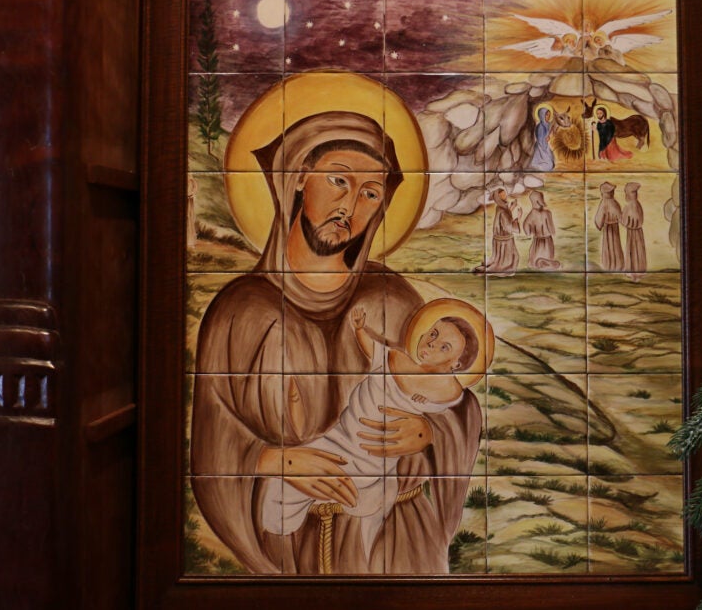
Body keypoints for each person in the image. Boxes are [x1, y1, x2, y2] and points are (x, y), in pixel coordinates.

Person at [191, 110, 482, 575]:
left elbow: (455, 404)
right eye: (338, 180)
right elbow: (213, 438)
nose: (350, 205)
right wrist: (273, 459)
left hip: (396, 541)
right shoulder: (239, 310)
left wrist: (429, 434)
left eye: (370, 193)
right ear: (299, 178)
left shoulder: (393, 298)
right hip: (294, 544)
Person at [260, 299, 490, 567]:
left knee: (325, 483)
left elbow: (457, 422)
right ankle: (272, 552)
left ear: (456, 364)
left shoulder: (447, 391)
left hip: (367, 456)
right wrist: (360, 329)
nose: (431, 343)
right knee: (284, 485)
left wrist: (429, 427)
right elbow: (372, 348)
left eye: (444, 347)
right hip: (339, 437)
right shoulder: (398, 358)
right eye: (433, 334)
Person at [473, 188, 521, 276]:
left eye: (504, 194)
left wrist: (511, 208)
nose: (505, 196)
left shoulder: (500, 207)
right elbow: (507, 226)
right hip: (505, 240)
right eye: (502, 195)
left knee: (503, 258)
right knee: (511, 258)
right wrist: (518, 218)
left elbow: (505, 218)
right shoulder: (502, 209)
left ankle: (494, 267)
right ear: (498, 198)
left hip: (500, 238)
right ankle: (500, 269)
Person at [522, 189, 561, 270]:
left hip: (537, 241)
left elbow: (526, 229)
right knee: (546, 258)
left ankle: (540, 263)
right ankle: (547, 263)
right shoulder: (547, 213)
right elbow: (552, 230)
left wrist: (530, 231)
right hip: (547, 240)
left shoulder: (531, 215)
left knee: (534, 263)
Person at [593, 181, 624, 271]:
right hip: (615, 227)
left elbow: (598, 220)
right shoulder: (615, 203)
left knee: (608, 246)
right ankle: (618, 265)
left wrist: (600, 224)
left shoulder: (604, 203)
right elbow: (620, 217)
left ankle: (609, 265)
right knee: (616, 245)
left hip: (607, 228)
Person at [621, 181, 647, 279]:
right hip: (638, 232)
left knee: (633, 250)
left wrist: (622, 219)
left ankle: (633, 272)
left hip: (632, 232)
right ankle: (638, 271)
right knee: (637, 250)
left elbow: (624, 220)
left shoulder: (629, 206)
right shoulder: (637, 204)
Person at [528, 106, 555, 171]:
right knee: (549, 165)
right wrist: (546, 139)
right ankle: (535, 167)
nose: (548, 117)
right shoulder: (540, 127)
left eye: (549, 115)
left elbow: (550, 129)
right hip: (541, 148)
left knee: (552, 162)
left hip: (545, 147)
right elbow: (541, 140)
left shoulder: (547, 124)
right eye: (547, 115)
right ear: (542, 115)